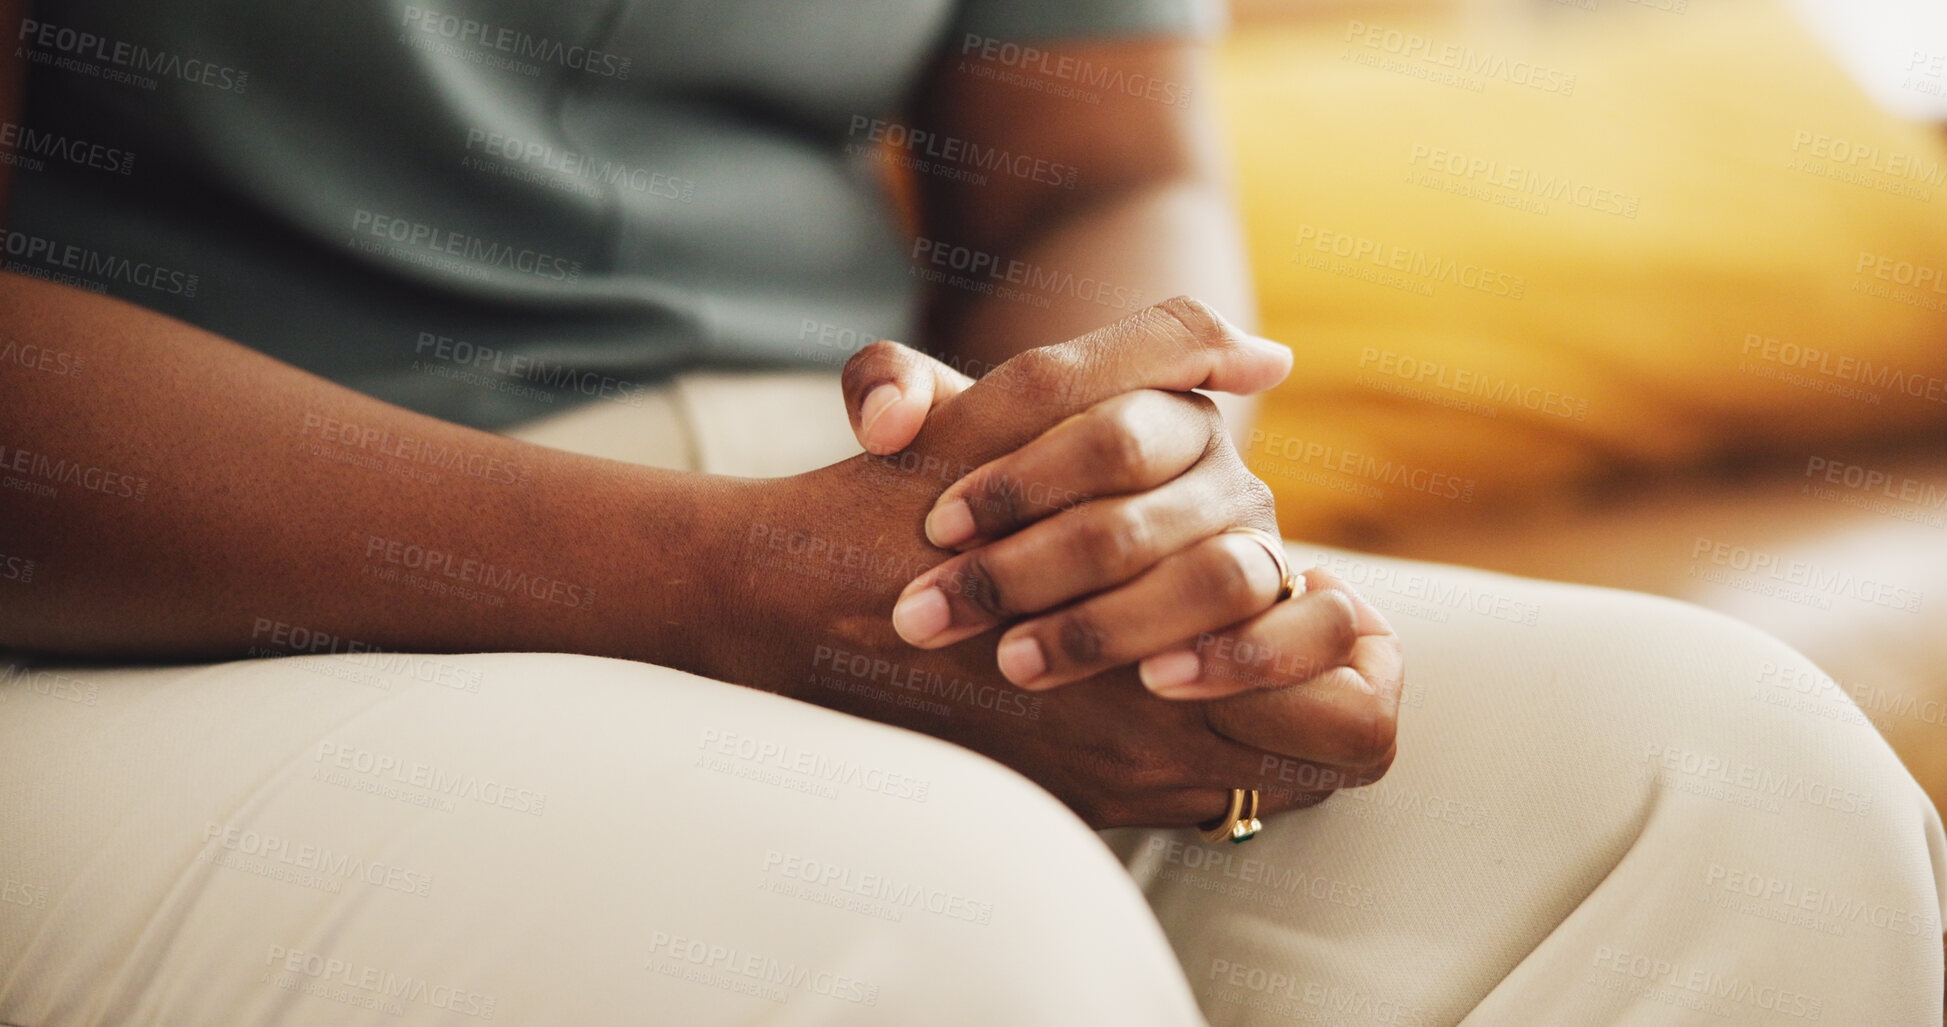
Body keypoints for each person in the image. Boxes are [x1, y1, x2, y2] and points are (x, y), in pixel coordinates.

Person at [0, 1, 1941, 1023]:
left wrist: (1089, 522)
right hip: (187, 575)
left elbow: (1095, 166)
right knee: (925, 935)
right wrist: (730, 585)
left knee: (1727, 800)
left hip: (824, 494)